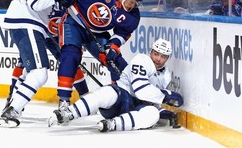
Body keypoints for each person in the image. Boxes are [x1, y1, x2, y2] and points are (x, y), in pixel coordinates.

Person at [0, 0, 76, 128]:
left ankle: (13, 103)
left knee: (29, 71)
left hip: (26, 24)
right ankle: (12, 111)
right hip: (28, 23)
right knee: (39, 73)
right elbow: (35, 2)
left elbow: (42, 3)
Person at [51, 0, 146, 113]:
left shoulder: (133, 15)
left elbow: (123, 33)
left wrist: (113, 47)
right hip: (74, 21)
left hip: (97, 32)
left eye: (136, 3)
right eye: (131, 1)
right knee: (70, 55)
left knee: (115, 61)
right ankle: (63, 101)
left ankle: (123, 99)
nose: (132, 6)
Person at [48, 38, 184, 132]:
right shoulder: (142, 60)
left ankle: (112, 124)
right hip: (121, 99)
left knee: (153, 114)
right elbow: (141, 91)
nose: (158, 59)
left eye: (163, 56)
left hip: (136, 109)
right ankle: (67, 113)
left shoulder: (166, 76)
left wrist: (160, 110)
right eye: (156, 54)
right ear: (151, 52)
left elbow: (153, 101)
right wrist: (167, 96)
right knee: (106, 93)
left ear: (168, 58)